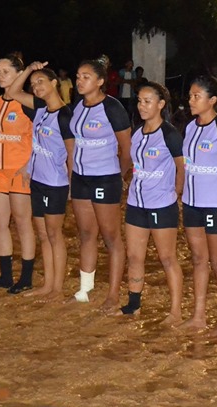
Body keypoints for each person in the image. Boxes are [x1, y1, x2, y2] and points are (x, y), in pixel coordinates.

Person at [5, 61, 75, 300]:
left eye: (41, 81)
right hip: (37, 181)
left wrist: (71, 184)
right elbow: (13, 92)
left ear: (54, 83)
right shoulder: (39, 109)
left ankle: (57, 288)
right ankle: (47, 285)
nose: (35, 87)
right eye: (33, 84)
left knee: (55, 234)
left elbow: (72, 154)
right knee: (43, 234)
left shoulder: (65, 116)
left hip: (55, 183)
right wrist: (28, 70)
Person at [69, 55, 132, 310]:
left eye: (86, 77)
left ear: (101, 81)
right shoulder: (78, 105)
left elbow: (127, 149)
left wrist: (119, 175)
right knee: (86, 234)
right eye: (77, 77)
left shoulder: (112, 108)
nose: (79, 81)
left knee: (111, 237)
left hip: (105, 177)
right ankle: (85, 289)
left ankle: (113, 294)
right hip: (81, 178)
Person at [119, 82, 185, 323]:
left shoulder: (169, 134)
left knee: (167, 258)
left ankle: (176, 312)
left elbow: (181, 167)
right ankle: (133, 305)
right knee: (134, 257)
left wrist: (175, 194)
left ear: (161, 105)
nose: (142, 106)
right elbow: (132, 162)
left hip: (161, 205)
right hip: (137, 204)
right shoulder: (137, 133)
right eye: (139, 101)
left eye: (148, 101)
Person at [180, 75, 217, 332]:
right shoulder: (191, 127)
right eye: (191, 96)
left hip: (216, 203)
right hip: (192, 202)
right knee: (197, 258)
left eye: (196, 96)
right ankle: (198, 316)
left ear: (212, 100)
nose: (191, 100)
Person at [0, 52, 37, 294]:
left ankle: (25, 278)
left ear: (19, 75)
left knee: (23, 223)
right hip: (2, 171)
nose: (1, 76)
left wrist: (29, 166)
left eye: (6, 72)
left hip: (21, 170)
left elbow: (41, 137)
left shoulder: (28, 103)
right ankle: (5, 275)